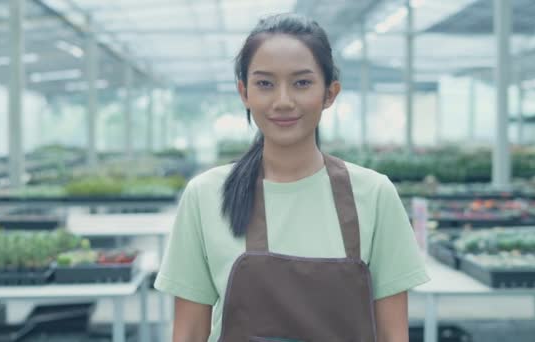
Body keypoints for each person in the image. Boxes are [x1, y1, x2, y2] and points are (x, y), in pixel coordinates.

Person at [154, 13, 430, 342]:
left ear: (330, 93)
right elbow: (188, 333)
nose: (283, 101)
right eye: (265, 84)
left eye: (301, 83)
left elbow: (393, 335)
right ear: (244, 93)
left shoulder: (374, 194)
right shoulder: (206, 195)